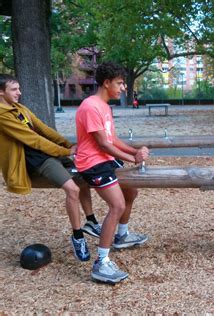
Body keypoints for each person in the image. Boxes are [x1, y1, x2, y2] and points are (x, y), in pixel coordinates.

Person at [0, 74, 101, 262]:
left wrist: (67, 144)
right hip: (33, 159)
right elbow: (34, 140)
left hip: (47, 152)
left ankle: (91, 221)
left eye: (19, 88)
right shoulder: (2, 116)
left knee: (83, 174)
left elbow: (43, 129)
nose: (19, 93)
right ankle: (78, 236)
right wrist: (64, 151)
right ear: (1, 92)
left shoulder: (19, 108)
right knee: (72, 189)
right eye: (14, 89)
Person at [75, 62, 150, 284]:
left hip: (105, 159)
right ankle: (102, 263)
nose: (123, 88)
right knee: (116, 205)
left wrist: (135, 151)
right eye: (119, 83)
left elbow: (113, 140)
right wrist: (132, 158)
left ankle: (122, 235)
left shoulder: (105, 107)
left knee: (131, 190)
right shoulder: (90, 107)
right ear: (106, 83)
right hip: (92, 163)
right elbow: (103, 145)